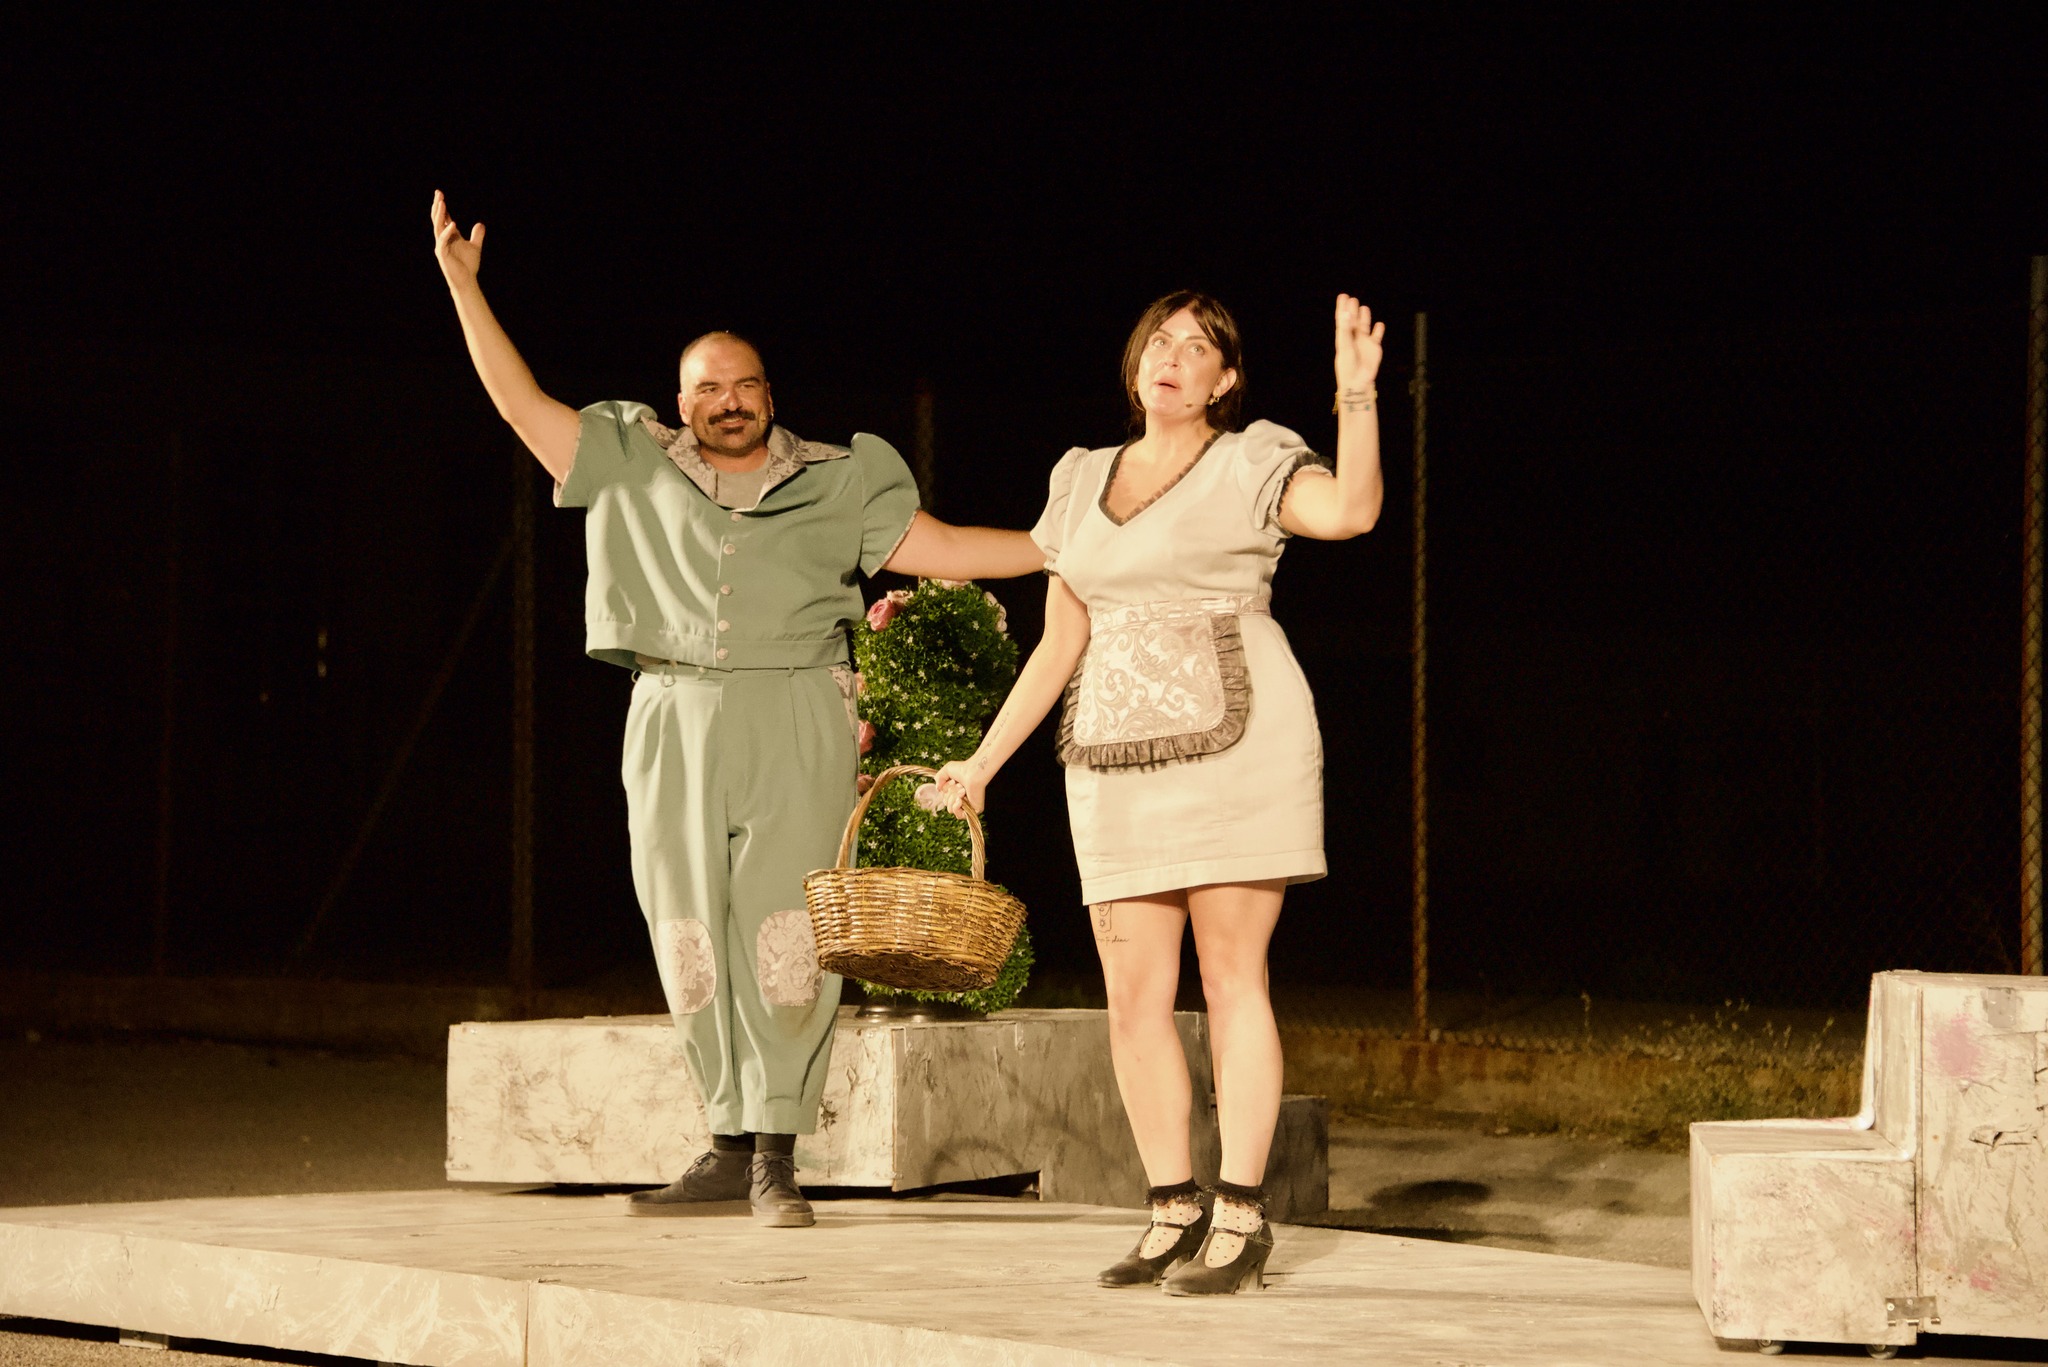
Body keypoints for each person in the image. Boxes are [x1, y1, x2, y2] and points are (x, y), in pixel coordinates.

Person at [429, 191, 1043, 1228]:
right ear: (681, 401)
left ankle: (775, 1153)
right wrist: (461, 287)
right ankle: (723, 1139)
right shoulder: (630, 458)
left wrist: (1058, 546)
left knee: (786, 926)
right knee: (687, 925)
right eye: (708, 387)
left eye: (745, 384)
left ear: (768, 394)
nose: (729, 400)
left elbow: (935, 545)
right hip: (671, 711)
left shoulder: (837, 478)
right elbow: (518, 402)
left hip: (796, 706)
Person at [936, 290, 1384, 1294]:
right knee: (1132, 997)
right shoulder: (1079, 476)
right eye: (1159, 341)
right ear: (1135, 364)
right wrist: (981, 763)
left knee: (1231, 976)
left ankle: (1241, 1213)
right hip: (1112, 754)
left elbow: (1350, 513)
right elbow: (1061, 639)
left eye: (1197, 345)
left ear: (1225, 380)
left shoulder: (1253, 459)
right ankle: (1171, 1208)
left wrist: (1355, 395)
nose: (1172, 356)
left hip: (1239, 741)